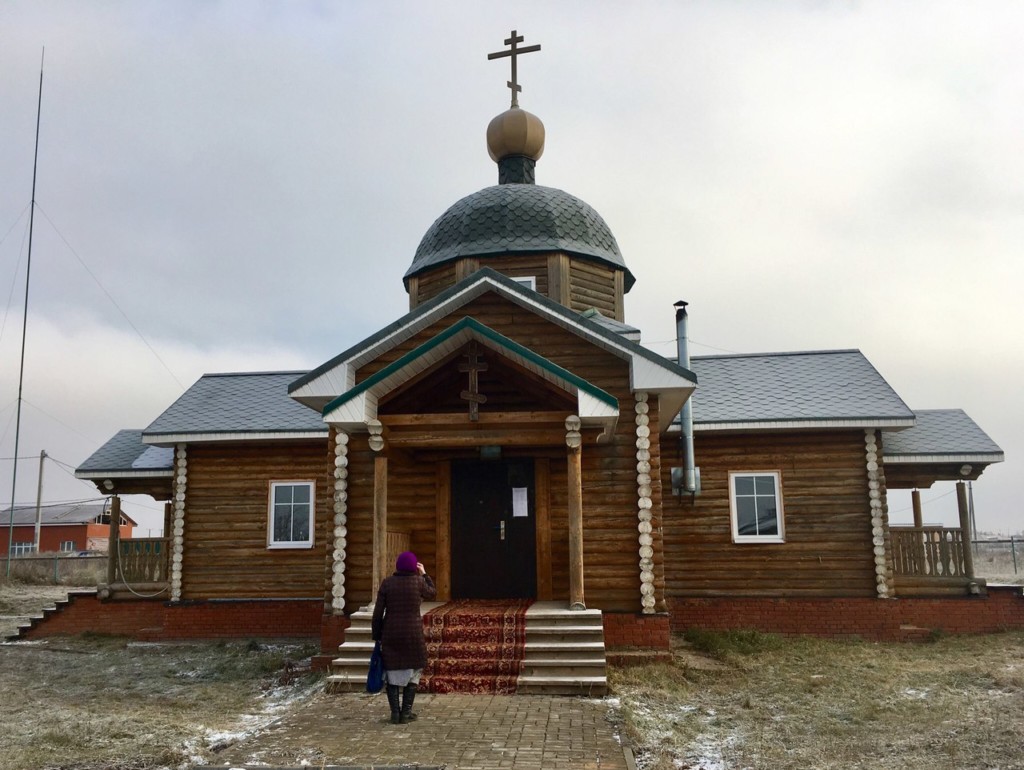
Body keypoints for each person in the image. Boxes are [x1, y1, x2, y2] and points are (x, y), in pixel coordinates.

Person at [371, 550, 436, 724]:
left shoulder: (387, 583)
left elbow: (377, 613)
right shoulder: (418, 582)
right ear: (414, 567)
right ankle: (406, 713)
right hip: (413, 634)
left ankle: (395, 714)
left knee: (391, 672)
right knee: (415, 669)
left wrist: (377, 635)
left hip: (391, 633)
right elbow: (432, 592)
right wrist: (424, 573)